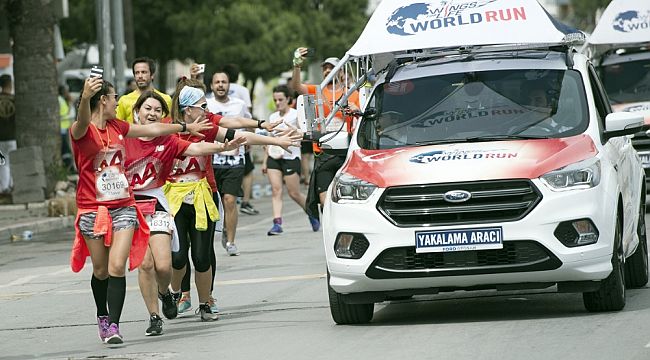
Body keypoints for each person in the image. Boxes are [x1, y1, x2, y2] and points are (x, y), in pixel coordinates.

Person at [69, 76, 211, 344]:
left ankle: (113, 325)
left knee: (117, 266)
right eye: (114, 98)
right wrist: (86, 97)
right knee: (100, 270)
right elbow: (83, 122)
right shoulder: (82, 130)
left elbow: (155, 130)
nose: (118, 103)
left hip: (123, 206)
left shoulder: (119, 127)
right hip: (91, 209)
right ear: (103, 100)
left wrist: (184, 126)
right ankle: (102, 314)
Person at [166, 79, 301, 320]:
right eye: (202, 105)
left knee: (202, 256)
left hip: (201, 196)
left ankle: (205, 302)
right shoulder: (169, 129)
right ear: (188, 109)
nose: (207, 110)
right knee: (177, 256)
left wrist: (275, 140)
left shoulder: (207, 127)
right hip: (173, 199)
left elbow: (239, 133)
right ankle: (174, 292)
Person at [124, 90, 245, 335]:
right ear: (137, 112)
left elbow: (201, 148)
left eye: (158, 110)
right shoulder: (123, 136)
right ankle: (154, 316)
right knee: (147, 264)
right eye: (147, 109)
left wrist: (224, 147)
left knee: (173, 264)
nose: (152, 114)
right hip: (133, 206)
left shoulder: (169, 139)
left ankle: (189, 298)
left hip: (167, 201)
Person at [290, 48, 360, 219]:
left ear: (342, 72)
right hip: (324, 154)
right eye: (325, 68)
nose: (328, 71)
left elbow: (363, 116)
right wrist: (297, 65)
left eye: (332, 68)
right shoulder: (318, 91)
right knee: (324, 201)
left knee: (348, 199)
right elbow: (296, 86)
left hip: (346, 154)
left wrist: (356, 110)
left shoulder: (353, 93)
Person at [207, 70, 254, 256]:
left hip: (235, 160)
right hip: (211, 160)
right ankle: (216, 233)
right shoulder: (207, 105)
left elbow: (248, 123)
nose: (220, 85)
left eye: (224, 82)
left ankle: (231, 241)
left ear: (229, 85)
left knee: (230, 200)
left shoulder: (239, 104)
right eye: (217, 82)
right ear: (211, 86)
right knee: (212, 203)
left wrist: (256, 140)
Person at [262, 85, 319, 235]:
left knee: (294, 193)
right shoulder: (272, 117)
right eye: (275, 100)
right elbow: (269, 139)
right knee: (276, 190)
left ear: (288, 99)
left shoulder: (295, 115)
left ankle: (311, 212)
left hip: (291, 156)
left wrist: (292, 134)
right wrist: (264, 160)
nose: (278, 103)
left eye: (280, 99)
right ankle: (277, 223)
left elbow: (304, 134)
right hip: (274, 157)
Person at [116, 57, 172, 123]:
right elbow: (117, 126)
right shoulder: (124, 100)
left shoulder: (166, 99)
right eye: (137, 73)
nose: (140, 76)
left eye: (144, 72)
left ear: (152, 75)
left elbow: (170, 125)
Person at [0, 74, 16, 194]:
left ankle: (4, 187)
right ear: (10, 84)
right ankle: (12, 185)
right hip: (13, 136)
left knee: (3, 163)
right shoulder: (15, 100)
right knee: (13, 161)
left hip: (1, 137)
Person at [59, 84, 75, 171]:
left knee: (67, 148)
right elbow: (64, 115)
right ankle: (68, 166)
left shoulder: (64, 100)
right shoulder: (60, 100)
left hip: (65, 127)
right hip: (62, 128)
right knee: (65, 149)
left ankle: (69, 166)